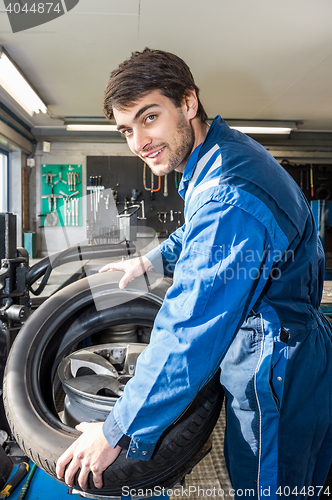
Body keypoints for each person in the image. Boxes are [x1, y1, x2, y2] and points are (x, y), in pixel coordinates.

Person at [56, 48, 332, 498]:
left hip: (275, 370)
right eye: (127, 129)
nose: (138, 142)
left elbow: (189, 329)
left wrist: (114, 431)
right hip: (298, 352)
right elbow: (197, 230)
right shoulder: (223, 154)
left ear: (188, 102)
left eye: (149, 118)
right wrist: (152, 259)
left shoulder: (227, 193)